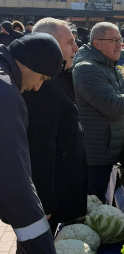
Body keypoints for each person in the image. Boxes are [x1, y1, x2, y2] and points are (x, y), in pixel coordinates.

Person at [73, 22, 124, 201]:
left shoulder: (109, 66)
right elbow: (113, 105)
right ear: (97, 43)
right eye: (113, 40)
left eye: (119, 39)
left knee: (105, 200)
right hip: (96, 152)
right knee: (93, 203)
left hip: (109, 148)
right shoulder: (87, 69)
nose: (120, 44)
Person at [0, 33, 64, 254]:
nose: (37, 87)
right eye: (42, 78)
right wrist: (43, 247)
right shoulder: (5, 97)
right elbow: (14, 184)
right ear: (30, 64)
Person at [23, 18, 87, 236]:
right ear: (50, 44)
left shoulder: (60, 76)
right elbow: (40, 145)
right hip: (50, 193)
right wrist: (45, 201)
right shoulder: (41, 83)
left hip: (62, 186)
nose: (76, 48)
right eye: (70, 42)